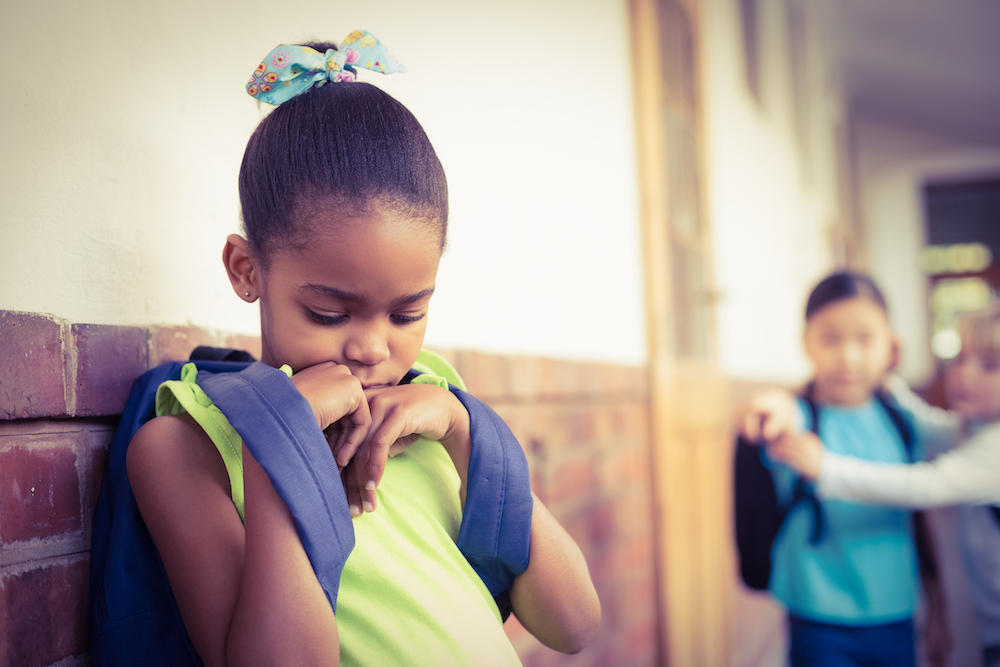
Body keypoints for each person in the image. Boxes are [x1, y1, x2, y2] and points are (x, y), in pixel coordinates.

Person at [125, 32, 600, 666]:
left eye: (408, 313)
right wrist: (279, 447)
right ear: (246, 271)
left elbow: (574, 624)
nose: (374, 349)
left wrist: (464, 429)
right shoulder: (189, 448)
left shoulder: (429, 408)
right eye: (328, 312)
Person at [762, 303, 1000, 667]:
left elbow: (925, 486)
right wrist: (886, 374)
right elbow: (931, 426)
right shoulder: (975, 428)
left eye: (989, 365)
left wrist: (826, 468)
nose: (963, 375)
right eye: (959, 357)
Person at [739, 271, 947, 667]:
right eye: (831, 338)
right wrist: (770, 405)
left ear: (891, 346)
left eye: (865, 338)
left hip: (898, 616)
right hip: (818, 621)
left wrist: (939, 608)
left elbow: (919, 517)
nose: (848, 355)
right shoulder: (801, 418)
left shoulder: (903, 421)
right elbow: (776, 409)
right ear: (806, 344)